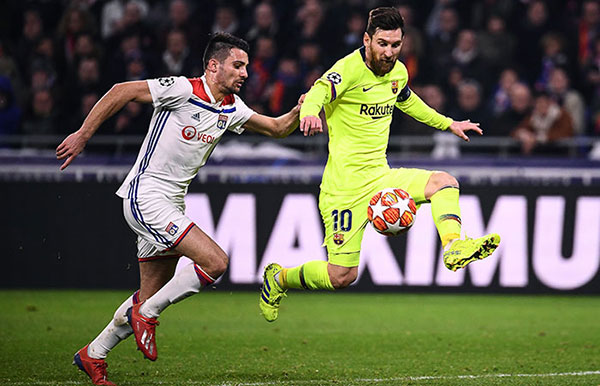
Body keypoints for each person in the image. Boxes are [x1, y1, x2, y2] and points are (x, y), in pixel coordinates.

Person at [57, 32, 301, 385]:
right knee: (215, 262)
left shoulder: (232, 107)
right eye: (238, 65)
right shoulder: (182, 90)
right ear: (213, 66)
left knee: (149, 294)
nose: (245, 73)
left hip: (171, 202)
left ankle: (93, 354)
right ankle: (149, 315)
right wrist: (83, 134)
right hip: (146, 196)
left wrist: (300, 110)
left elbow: (278, 129)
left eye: (246, 66)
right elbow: (120, 91)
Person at [259, 7, 501, 323]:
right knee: (341, 276)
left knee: (444, 182)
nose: (389, 52)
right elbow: (319, 90)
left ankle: (454, 245)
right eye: (383, 43)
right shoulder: (347, 70)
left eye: (396, 45)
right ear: (367, 40)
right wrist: (308, 113)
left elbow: (408, 100)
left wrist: (448, 123)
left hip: (381, 176)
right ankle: (278, 279)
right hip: (343, 189)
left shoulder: (398, 73)